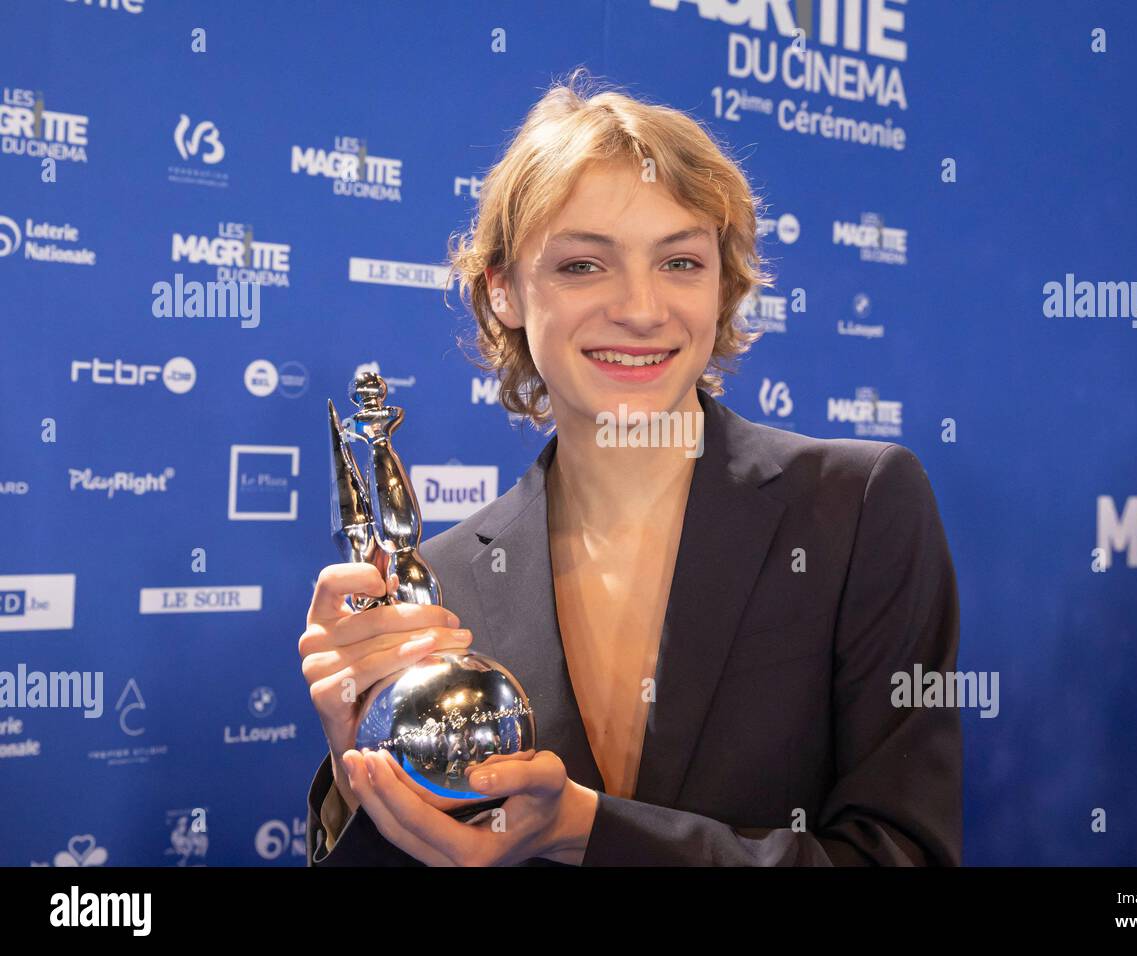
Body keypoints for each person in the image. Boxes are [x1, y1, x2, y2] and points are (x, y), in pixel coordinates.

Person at [298, 67, 961, 866]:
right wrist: (361, 763)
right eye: (584, 264)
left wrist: (586, 829)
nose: (642, 308)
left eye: (680, 262)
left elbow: (901, 855)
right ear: (503, 290)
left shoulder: (857, 509)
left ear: (723, 288)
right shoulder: (440, 588)